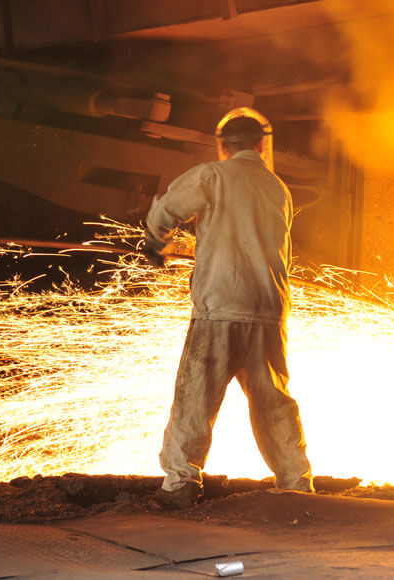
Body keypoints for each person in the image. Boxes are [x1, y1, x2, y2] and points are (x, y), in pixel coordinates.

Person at [142, 109, 314, 508]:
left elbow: (168, 210)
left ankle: (181, 483)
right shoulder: (278, 188)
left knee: (196, 394)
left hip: (221, 303)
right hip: (269, 308)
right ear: (259, 145)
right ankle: (296, 483)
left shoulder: (213, 176)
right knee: (272, 400)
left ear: (224, 146)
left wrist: (154, 240)